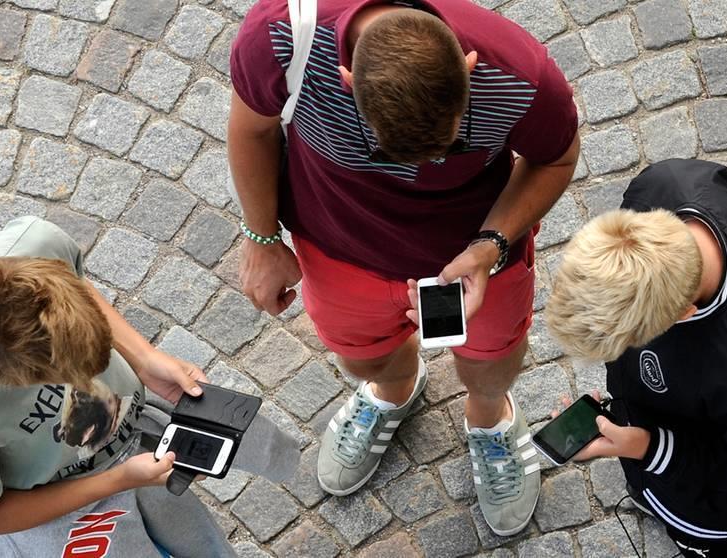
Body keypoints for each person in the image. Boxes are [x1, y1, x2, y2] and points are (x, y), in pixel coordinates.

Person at [229, 0, 579, 535]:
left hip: (475, 259)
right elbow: (252, 128)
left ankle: (490, 420)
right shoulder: (280, 36)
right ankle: (394, 391)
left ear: (468, 66)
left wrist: (491, 246)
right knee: (365, 361)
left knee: (492, 364)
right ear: (346, 79)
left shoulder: (520, 75)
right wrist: (260, 238)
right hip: (338, 248)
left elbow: (556, 156)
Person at [0, 216, 298, 557]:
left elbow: (73, 285)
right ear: (16, 380)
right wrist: (118, 480)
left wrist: (143, 358)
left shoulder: (30, 249)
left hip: (131, 449)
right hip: (67, 511)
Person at [545, 159, 727, 557]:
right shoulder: (668, 184)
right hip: (662, 445)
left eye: (629, 344)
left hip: (723, 522)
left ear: (683, 315)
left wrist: (648, 448)